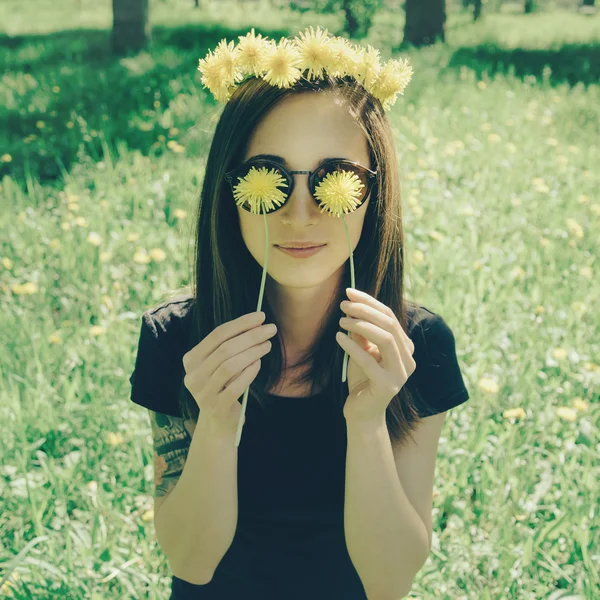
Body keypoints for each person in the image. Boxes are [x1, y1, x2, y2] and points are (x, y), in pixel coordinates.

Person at [129, 26, 470, 600]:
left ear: (375, 194)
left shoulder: (415, 346)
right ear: (227, 189)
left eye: (337, 179)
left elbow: (389, 581)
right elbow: (191, 561)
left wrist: (366, 424)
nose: (302, 213)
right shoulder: (179, 338)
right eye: (269, 179)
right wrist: (214, 427)